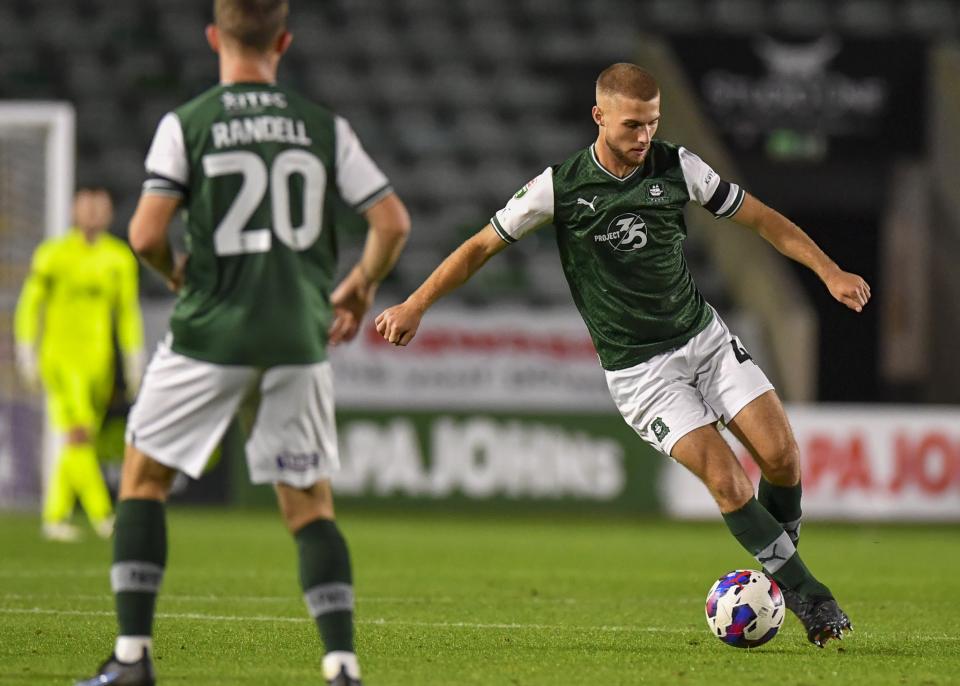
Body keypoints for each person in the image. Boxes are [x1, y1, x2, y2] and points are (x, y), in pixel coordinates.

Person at [376, 63, 867, 648]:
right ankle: (811, 597)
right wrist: (415, 304)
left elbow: (760, 219)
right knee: (730, 483)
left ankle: (775, 579)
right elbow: (479, 247)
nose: (643, 137)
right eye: (632, 125)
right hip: (642, 372)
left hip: (704, 339)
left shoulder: (677, 166)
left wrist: (829, 270)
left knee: (783, 457)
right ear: (599, 116)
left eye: (653, 124)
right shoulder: (558, 187)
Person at [75, 1, 410, 684]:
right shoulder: (323, 128)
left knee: (143, 480)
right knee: (309, 505)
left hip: (210, 332)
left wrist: (176, 275)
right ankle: (342, 667)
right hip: (297, 334)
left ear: (213, 38)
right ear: (283, 41)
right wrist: (360, 287)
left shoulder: (187, 124)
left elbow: (143, 235)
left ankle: (133, 658)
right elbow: (392, 221)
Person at [14, 186, 144, 543]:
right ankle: (103, 516)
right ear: (74, 211)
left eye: (99, 208)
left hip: (98, 365)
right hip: (59, 359)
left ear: (109, 214)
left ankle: (54, 517)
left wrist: (133, 358)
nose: (92, 214)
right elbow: (30, 305)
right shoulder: (52, 255)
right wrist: (26, 349)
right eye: (86, 207)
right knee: (79, 435)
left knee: (79, 443)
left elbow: (128, 313)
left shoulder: (119, 258)